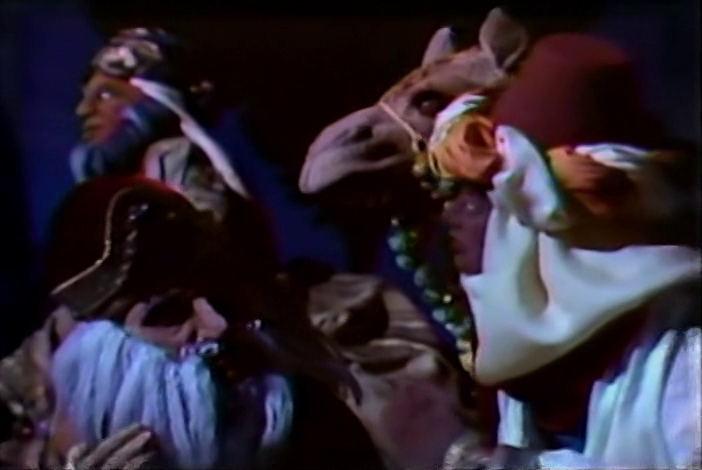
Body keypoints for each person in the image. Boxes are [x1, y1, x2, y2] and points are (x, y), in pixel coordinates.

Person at [423, 33, 700, 468]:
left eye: (479, 198)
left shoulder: (687, 352)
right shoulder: (536, 366)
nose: (453, 217)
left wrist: (482, 461)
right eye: (451, 195)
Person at [2, 176, 386, 469]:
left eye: (223, 299)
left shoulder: (319, 429)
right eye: (169, 314)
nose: (218, 327)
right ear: (109, 360)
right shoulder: (48, 449)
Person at [69, 27, 277, 275]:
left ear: (156, 102)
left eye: (106, 95)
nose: (83, 110)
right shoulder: (124, 183)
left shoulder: (172, 157)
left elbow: (202, 253)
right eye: (86, 97)